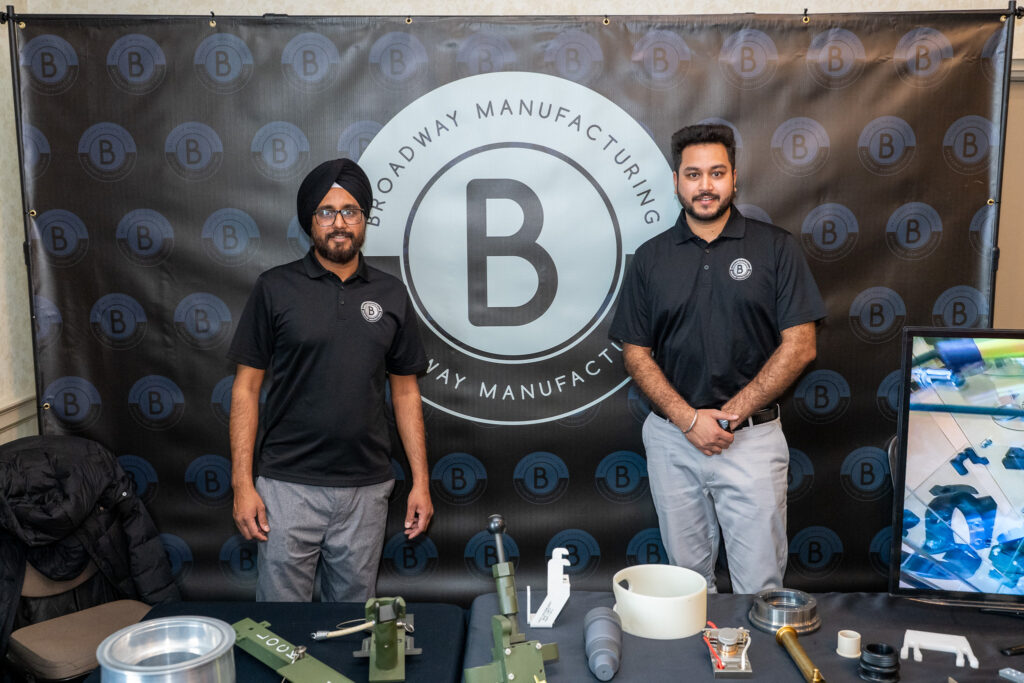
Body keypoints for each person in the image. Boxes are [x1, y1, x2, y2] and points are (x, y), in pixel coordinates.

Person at [609, 124, 826, 594]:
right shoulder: (649, 258)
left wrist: (729, 417)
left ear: (734, 179)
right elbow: (635, 353)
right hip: (673, 441)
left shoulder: (776, 248)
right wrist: (688, 420)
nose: (705, 185)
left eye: (716, 173)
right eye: (693, 174)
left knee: (761, 588)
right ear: (676, 182)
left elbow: (801, 345)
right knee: (686, 588)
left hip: (751, 440)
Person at [228, 158, 433, 602]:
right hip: (286, 486)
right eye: (326, 212)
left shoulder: (391, 294)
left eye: (350, 211)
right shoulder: (274, 288)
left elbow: (405, 392)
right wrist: (242, 484)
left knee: (355, 624)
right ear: (310, 221)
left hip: (366, 489)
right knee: (280, 627)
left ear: (364, 219)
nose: (339, 223)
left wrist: (421, 481)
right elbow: (245, 389)